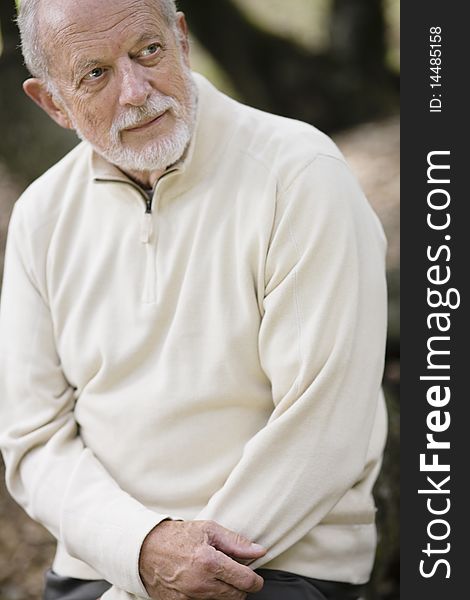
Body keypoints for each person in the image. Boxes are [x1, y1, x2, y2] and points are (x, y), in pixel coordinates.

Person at [0, 1, 388, 599]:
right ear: (53, 102)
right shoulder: (40, 218)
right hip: (99, 572)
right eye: (95, 74)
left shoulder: (300, 174)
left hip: (274, 566)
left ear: (181, 40)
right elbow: (33, 441)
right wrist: (139, 551)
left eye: (147, 51)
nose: (135, 91)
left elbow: (323, 430)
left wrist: (172, 575)